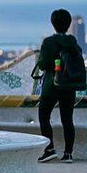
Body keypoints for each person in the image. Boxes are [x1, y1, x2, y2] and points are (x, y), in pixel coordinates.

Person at [36, 9, 81, 164]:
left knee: (43, 117)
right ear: (68, 24)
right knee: (67, 120)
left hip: (51, 86)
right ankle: (68, 153)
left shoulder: (48, 42)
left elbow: (42, 64)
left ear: (53, 23)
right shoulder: (73, 42)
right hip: (69, 85)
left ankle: (49, 150)